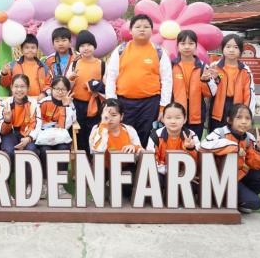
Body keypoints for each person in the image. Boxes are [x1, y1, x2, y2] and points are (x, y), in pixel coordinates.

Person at [105, 14, 172, 147]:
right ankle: (126, 160)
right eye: (138, 27)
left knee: (146, 136)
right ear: (130, 30)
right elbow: (111, 78)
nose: (142, 29)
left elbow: (167, 80)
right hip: (124, 102)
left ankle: (144, 159)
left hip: (150, 104)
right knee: (124, 135)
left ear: (152, 30)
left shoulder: (159, 51)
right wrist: (112, 103)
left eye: (146, 27)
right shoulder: (120, 50)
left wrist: (163, 107)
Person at [200, 104, 260, 213]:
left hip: (239, 177)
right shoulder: (220, 133)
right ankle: (225, 198)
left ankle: (238, 199)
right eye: (239, 117)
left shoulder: (249, 138)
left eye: (247, 118)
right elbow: (203, 146)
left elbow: (256, 166)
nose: (244, 122)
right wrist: (235, 148)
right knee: (256, 203)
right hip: (221, 179)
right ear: (229, 120)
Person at [89, 99, 142, 198]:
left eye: (114, 115)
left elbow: (141, 151)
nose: (109, 119)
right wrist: (103, 126)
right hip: (103, 167)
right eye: (106, 115)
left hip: (124, 167)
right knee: (99, 195)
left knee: (127, 192)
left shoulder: (129, 130)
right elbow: (97, 150)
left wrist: (134, 147)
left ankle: (114, 183)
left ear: (121, 116)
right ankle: (106, 183)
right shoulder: (96, 130)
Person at [171, 30, 217, 139]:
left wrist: (206, 81)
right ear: (177, 46)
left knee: (194, 144)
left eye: (191, 43)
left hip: (197, 115)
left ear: (196, 46)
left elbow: (210, 93)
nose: (187, 47)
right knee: (175, 144)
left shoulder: (203, 66)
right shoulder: (171, 65)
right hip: (175, 113)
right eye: (183, 43)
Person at [0, 74, 41, 193]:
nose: (19, 90)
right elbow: (1, 129)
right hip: (10, 133)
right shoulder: (5, 103)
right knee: (8, 152)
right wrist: (7, 120)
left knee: (31, 151)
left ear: (28, 88)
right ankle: (4, 186)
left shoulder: (33, 103)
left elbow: (37, 124)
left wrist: (29, 138)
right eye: (16, 86)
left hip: (27, 134)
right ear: (11, 87)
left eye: (22, 86)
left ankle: (29, 184)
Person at [146, 102, 199, 191]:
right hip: (162, 172)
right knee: (155, 180)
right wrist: (172, 172)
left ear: (185, 119)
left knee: (196, 187)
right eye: (169, 117)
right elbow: (150, 162)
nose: (173, 121)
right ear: (163, 119)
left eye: (178, 118)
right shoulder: (155, 136)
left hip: (184, 174)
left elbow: (200, 160)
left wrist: (191, 148)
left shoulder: (191, 135)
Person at [37, 76, 76, 199]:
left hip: (61, 137)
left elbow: (66, 125)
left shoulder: (70, 103)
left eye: (63, 89)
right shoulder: (44, 102)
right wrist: (52, 126)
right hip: (45, 137)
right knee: (44, 150)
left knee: (63, 149)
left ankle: (59, 184)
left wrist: (65, 106)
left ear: (68, 90)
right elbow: (38, 122)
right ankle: (44, 182)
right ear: (51, 89)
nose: (60, 92)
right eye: (57, 89)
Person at [209, 34, 256, 131]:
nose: (231, 50)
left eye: (235, 47)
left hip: (238, 107)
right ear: (222, 49)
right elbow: (208, 91)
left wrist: (247, 114)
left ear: (240, 51)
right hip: (218, 106)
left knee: (236, 134)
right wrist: (213, 80)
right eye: (228, 46)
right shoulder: (214, 66)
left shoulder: (245, 70)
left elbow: (249, 94)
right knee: (217, 134)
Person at [68, 30, 105, 153]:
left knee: (93, 131)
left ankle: (93, 156)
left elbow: (106, 86)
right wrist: (71, 79)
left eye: (89, 45)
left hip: (95, 104)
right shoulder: (75, 63)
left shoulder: (101, 64)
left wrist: (95, 86)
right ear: (78, 48)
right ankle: (81, 156)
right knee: (79, 131)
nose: (86, 48)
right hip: (77, 104)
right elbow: (68, 86)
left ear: (94, 46)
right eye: (82, 45)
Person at [0, 34, 49, 100]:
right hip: (18, 101)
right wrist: (4, 73)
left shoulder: (43, 67)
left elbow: (49, 84)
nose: (30, 50)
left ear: (37, 49)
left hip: (37, 100)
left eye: (33, 48)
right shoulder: (13, 65)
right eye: (27, 48)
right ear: (22, 49)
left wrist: (44, 93)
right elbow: (5, 84)